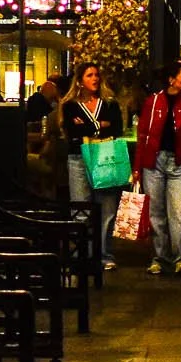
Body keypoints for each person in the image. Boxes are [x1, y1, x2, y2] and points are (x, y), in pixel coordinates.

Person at [133, 61, 181, 276]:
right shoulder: (153, 102)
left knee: (180, 212)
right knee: (156, 211)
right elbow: (143, 136)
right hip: (154, 161)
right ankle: (160, 256)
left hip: (179, 161)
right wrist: (137, 167)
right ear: (171, 80)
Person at [60, 63, 126, 270]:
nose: (95, 79)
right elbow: (72, 130)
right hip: (78, 158)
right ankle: (83, 255)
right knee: (81, 207)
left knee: (107, 208)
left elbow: (116, 127)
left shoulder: (109, 103)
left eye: (97, 75)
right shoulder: (70, 105)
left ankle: (104, 253)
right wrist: (100, 125)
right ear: (80, 81)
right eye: (89, 75)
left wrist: (88, 127)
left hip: (103, 156)